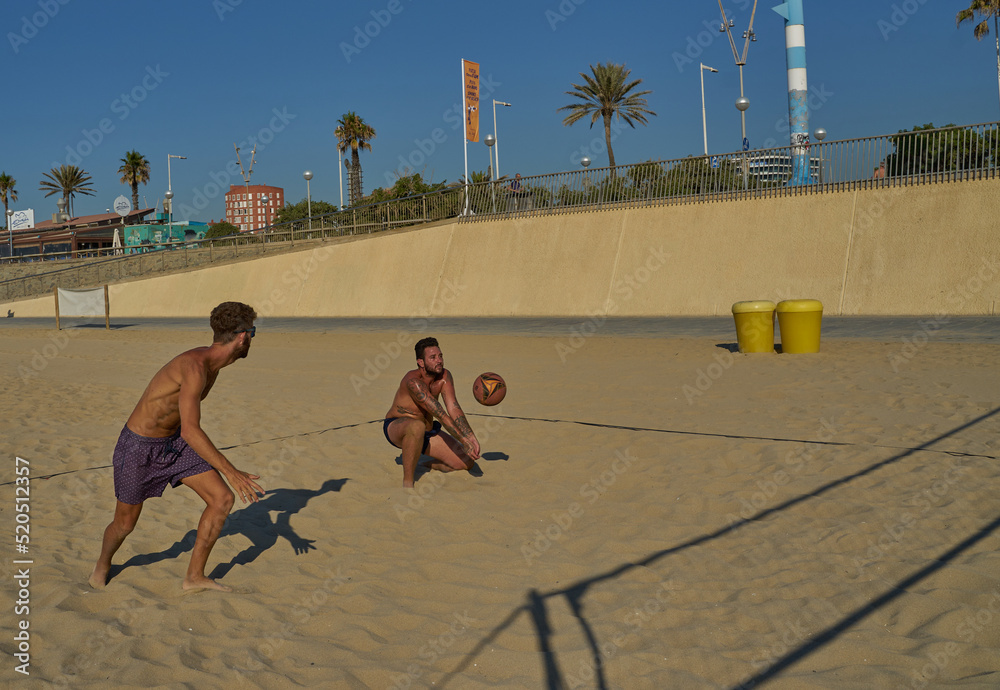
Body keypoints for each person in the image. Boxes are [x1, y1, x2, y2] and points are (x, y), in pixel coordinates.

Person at [89, 302, 264, 592]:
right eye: (253, 333)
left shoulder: (213, 365)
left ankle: (194, 577)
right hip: (139, 448)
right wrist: (230, 471)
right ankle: (103, 563)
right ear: (242, 337)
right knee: (124, 524)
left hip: (173, 444)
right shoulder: (195, 367)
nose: (252, 340)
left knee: (221, 499)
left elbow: (185, 430)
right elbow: (192, 429)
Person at [383, 337, 481, 488]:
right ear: (421, 362)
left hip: (427, 431)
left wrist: (470, 436)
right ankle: (408, 482)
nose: (439, 361)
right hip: (398, 427)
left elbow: (453, 408)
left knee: (466, 463)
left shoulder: (445, 377)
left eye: (440, 356)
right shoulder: (414, 382)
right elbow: (440, 414)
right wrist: (463, 440)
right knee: (416, 426)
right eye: (433, 357)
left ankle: (425, 464)